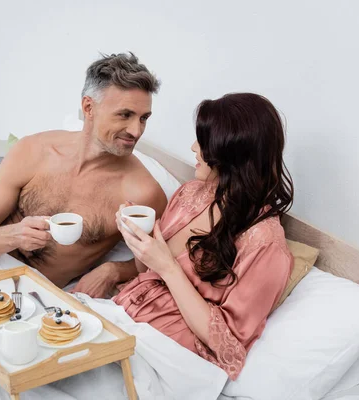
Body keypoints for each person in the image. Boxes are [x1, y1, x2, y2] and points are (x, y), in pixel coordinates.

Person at [113, 93, 294, 380]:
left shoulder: (265, 243)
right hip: (122, 319)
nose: (194, 147)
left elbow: (229, 346)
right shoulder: (191, 193)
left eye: (204, 141)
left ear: (232, 152)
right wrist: (139, 240)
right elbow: (146, 274)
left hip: (167, 356)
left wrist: (168, 268)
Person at [0, 53, 167, 297]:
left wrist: (114, 270)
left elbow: (162, 259)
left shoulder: (142, 192)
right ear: (89, 107)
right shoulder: (33, 151)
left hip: (39, 296)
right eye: (125, 115)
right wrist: (15, 236)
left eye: (144, 118)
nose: (136, 130)